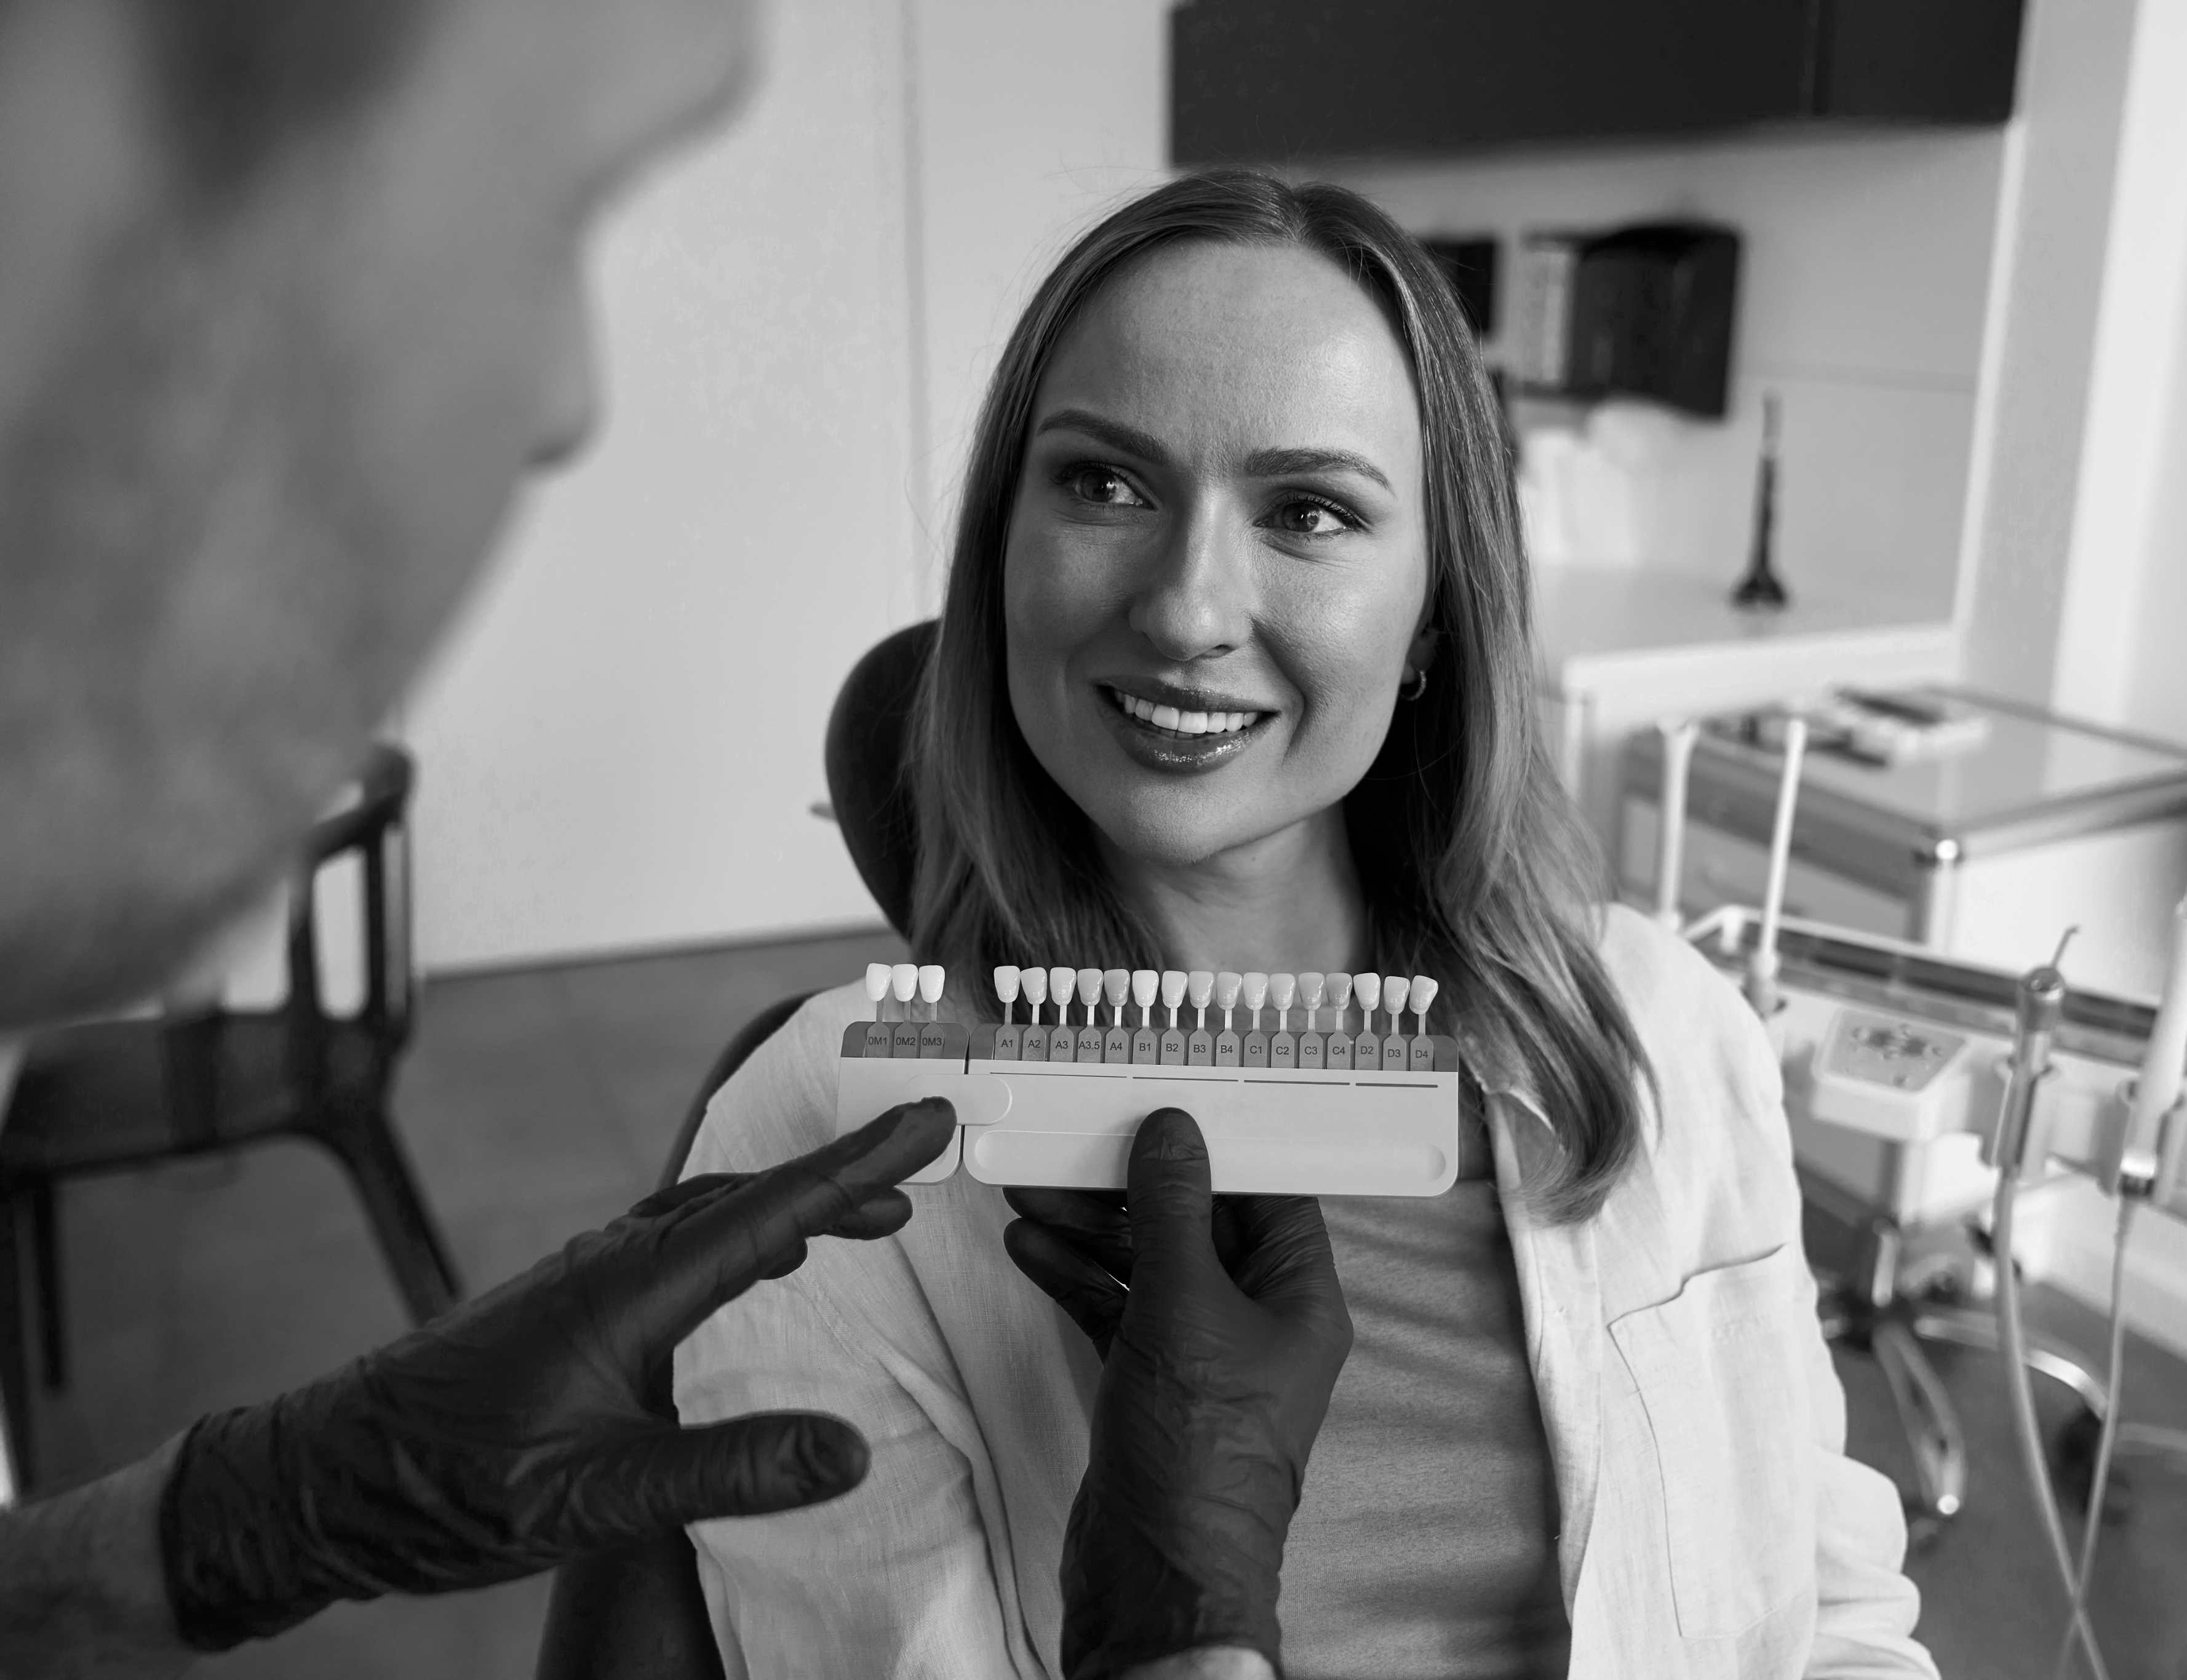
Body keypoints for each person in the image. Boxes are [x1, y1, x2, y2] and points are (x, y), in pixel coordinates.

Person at [0, 4, 1344, 1677]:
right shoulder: (807, 1117)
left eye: (1314, 509)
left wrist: (232, 1523)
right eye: (558, 193)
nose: (569, 402)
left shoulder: (1624, 1053)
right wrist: (1183, 1643)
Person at [676, 170, 1938, 1679]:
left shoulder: (1663, 1032)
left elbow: (1833, 1616)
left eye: (1309, 511)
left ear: (1431, 620)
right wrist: (1175, 1623)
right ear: (998, 553)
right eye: (1104, 484)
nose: (1187, 610)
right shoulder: (813, 1153)